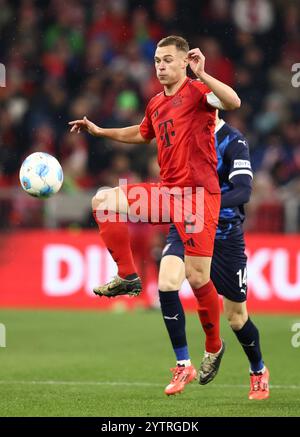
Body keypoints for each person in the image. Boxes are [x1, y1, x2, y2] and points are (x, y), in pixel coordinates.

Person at [69, 35, 241, 384]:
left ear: (183, 62)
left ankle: (213, 346)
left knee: (196, 278)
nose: (160, 66)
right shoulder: (155, 104)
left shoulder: (197, 92)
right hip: (167, 193)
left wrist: (204, 73)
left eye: (167, 60)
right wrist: (101, 131)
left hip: (198, 198)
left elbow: (233, 101)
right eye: (157, 61)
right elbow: (142, 133)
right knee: (103, 200)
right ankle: (129, 277)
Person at [159, 113, 270, 399]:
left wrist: (205, 202)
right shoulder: (185, 136)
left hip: (224, 235)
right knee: (168, 281)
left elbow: (243, 191)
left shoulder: (234, 141)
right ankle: (183, 364)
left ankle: (258, 370)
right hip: (189, 224)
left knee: (237, 318)